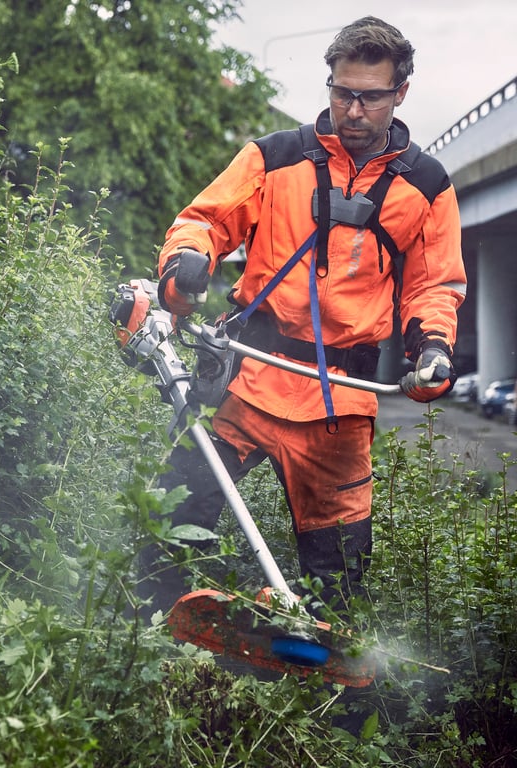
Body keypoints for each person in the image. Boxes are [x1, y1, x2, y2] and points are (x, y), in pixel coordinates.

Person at [139, 16, 467, 621]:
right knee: (167, 522)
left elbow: (434, 285)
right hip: (246, 382)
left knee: (338, 587)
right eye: (342, 92)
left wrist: (434, 347)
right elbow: (205, 220)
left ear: (401, 93)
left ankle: (323, 699)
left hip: (340, 408)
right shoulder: (274, 157)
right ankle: (147, 644)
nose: (354, 109)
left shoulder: (426, 187)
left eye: (370, 96)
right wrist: (187, 262)